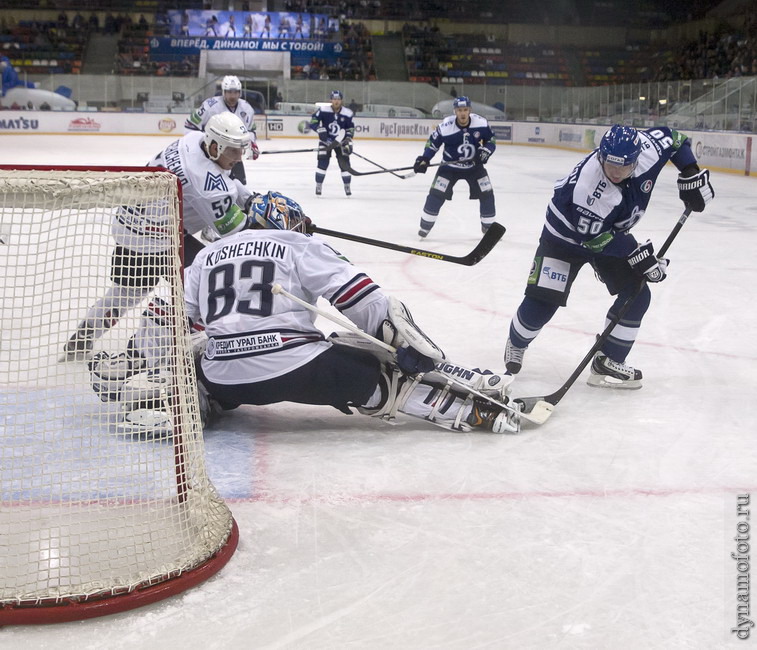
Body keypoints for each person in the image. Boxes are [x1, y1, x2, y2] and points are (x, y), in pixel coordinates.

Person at [89, 192, 521, 436]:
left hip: (227, 375)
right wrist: (403, 346)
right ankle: (472, 409)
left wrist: (135, 359)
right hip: (297, 364)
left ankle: (195, 398)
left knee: (203, 352)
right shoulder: (299, 245)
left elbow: (169, 317)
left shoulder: (207, 255)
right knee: (380, 371)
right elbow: (366, 302)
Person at [503, 125, 715, 388]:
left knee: (637, 293)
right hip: (564, 239)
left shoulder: (649, 148)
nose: (614, 172)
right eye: (609, 164)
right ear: (601, 155)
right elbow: (595, 239)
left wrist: (689, 172)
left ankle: (607, 360)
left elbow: (676, 139)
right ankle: (517, 342)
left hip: (609, 232)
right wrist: (639, 255)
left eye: (623, 167)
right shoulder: (589, 189)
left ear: (636, 159)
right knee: (543, 301)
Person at [63, 112, 255, 360]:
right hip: (154, 240)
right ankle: (190, 344)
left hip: (131, 222)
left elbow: (225, 179)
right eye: (233, 151)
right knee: (212, 282)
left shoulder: (194, 139)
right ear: (216, 147)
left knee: (126, 293)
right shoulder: (206, 183)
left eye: (241, 149)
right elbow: (234, 234)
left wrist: (251, 198)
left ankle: (82, 337)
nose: (239, 157)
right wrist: (265, 221)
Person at [412, 96, 497, 238]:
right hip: (449, 168)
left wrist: (486, 151)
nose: (462, 113)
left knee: (487, 193)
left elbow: (491, 139)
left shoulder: (480, 123)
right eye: (459, 110)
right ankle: (425, 226)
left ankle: (488, 228)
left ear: (469, 110)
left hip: (475, 167)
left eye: (465, 110)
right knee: (436, 194)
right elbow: (433, 144)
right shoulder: (445, 127)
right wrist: (425, 159)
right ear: (454, 111)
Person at [185, 75, 259, 185]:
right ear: (223, 92)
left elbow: (251, 130)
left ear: (240, 92)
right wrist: (201, 147)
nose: (232, 96)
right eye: (229, 92)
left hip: (233, 155)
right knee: (209, 186)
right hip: (211, 155)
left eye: (235, 92)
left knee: (238, 186)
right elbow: (190, 126)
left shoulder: (247, 108)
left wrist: (251, 144)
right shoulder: (210, 106)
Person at [309, 90, 355, 196]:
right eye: (334, 99)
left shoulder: (347, 113)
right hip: (325, 142)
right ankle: (319, 185)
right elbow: (313, 122)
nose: (336, 101)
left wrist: (348, 140)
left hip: (341, 142)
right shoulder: (323, 110)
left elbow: (350, 128)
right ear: (331, 100)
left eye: (338, 99)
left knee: (345, 165)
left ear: (341, 100)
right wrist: (320, 130)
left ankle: (347, 185)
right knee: (322, 163)